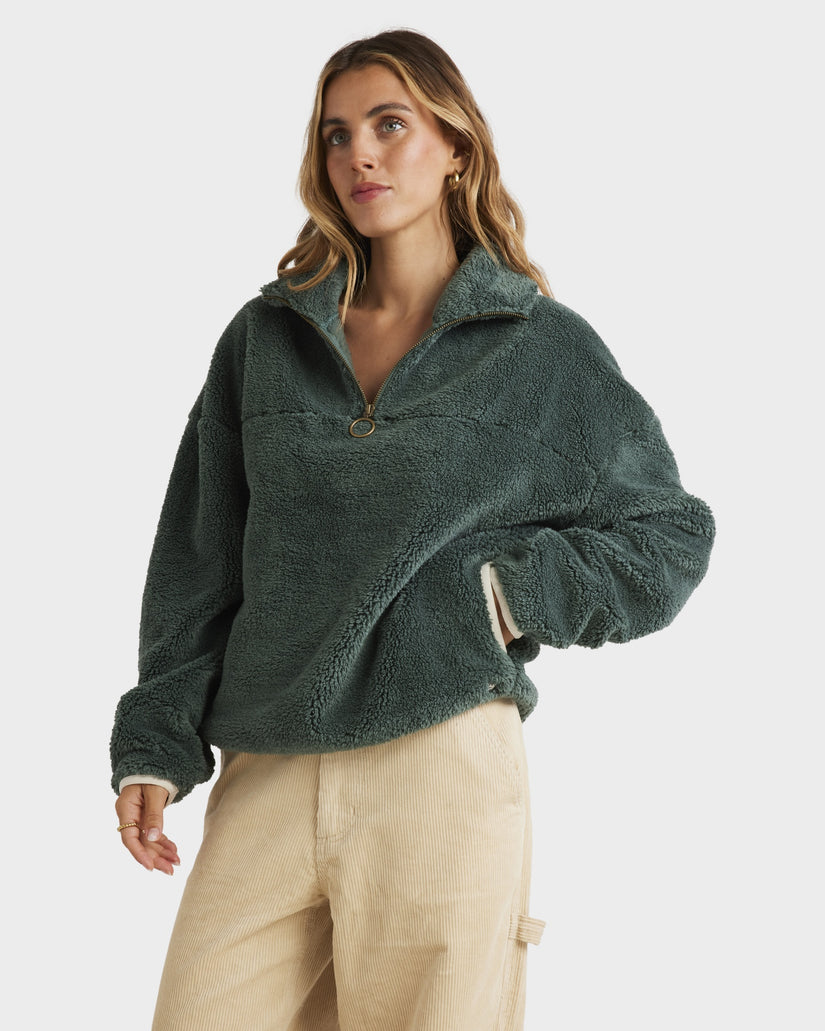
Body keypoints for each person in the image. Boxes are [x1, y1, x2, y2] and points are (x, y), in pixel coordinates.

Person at [110, 28, 715, 1031]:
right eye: (338, 134)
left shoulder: (537, 349)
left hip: (440, 764)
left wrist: (504, 596)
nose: (361, 154)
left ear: (455, 147)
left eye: (390, 125)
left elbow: (667, 532)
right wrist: (156, 741)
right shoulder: (265, 340)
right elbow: (198, 558)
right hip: (268, 760)